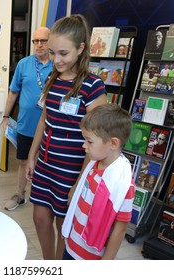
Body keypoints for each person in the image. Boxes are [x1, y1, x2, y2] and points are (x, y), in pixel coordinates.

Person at [25, 14, 108, 260]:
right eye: (52, 53)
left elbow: (99, 137)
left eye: (63, 53)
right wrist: (31, 156)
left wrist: (82, 179)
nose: (56, 59)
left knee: (64, 225)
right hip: (46, 163)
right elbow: (44, 120)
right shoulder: (52, 80)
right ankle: (49, 264)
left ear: (81, 48)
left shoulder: (92, 86)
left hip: (73, 169)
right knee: (40, 218)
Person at [61, 103, 135, 260]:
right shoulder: (93, 166)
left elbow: (120, 230)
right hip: (72, 243)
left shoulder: (123, 185)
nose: (84, 145)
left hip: (91, 256)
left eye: (89, 141)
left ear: (113, 143)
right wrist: (69, 230)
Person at [1, 27, 53, 211]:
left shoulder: (58, 64)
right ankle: (19, 194)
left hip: (50, 126)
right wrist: (6, 116)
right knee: (24, 161)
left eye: (43, 40)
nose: (39, 45)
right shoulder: (24, 64)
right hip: (26, 124)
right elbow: (13, 92)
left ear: (51, 41)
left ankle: (44, 198)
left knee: (47, 163)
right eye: (35, 41)